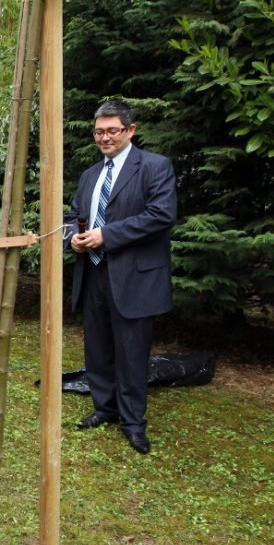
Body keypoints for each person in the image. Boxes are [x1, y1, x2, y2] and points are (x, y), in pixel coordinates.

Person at [63, 99, 177, 455]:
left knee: (131, 352)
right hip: (94, 272)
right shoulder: (90, 175)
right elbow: (74, 214)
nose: (105, 137)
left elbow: (161, 215)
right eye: (99, 131)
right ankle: (105, 408)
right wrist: (74, 239)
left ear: (130, 130)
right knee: (98, 349)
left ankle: (133, 422)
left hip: (135, 277)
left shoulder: (155, 167)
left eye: (112, 130)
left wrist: (106, 235)